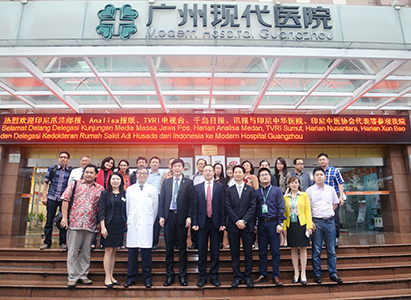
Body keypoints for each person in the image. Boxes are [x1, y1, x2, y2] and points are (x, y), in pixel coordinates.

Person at [60, 164, 104, 288]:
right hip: (75, 223)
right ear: (83, 173)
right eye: (87, 172)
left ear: (96, 174)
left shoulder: (100, 189)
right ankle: (73, 276)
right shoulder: (74, 184)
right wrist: (64, 218)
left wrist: (101, 224)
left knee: (86, 252)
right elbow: (65, 200)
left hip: (90, 225)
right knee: (73, 251)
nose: (89, 174)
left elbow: (101, 208)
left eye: (91, 172)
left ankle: (83, 275)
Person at [159, 158, 193, 287]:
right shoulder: (166, 182)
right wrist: (161, 216)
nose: (177, 168)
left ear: (183, 168)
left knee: (182, 248)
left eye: (179, 166)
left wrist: (189, 217)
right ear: (171, 168)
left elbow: (191, 201)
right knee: (169, 249)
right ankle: (170, 276)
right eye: (175, 166)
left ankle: (182, 276)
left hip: (182, 218)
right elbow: (162, 200)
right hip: (169, 217)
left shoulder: (188, 182)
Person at [306, 167, 343, 285]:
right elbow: (307, 208)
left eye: (321, 175)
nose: (319, 176)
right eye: (317, 175)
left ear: (325, 177)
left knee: (331, 249)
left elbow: (335, 204)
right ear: (314, 177)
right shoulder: (309, 190)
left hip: (329, 222)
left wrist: (327, 214)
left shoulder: (331, 189)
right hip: (316, 222)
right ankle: (317, 274)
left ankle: (333, 273)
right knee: (316, 249)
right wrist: (311, 221)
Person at [124, 166, 159, 288]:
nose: (142, 175)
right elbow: (127, 208)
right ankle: (131, 277)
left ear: (148, 175)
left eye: (144, 173)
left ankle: (147, 278)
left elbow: (155, 209)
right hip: (133, 224)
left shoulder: (153, 190)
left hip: (146, 224)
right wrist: (130, 220)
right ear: (136, 175)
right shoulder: (130, 189)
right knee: (132, 253)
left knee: (146, 254)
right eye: (140, 173)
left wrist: (149, 220)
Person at [192, 164, 226, 288]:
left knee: (215, 251)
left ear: (213, 173)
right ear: (203, 172)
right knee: (202, 251)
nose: (207, 173)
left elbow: (223, 206)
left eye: (210, 171)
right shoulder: (197, 187)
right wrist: (194, 222)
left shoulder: (220, 187)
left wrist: (223, 223)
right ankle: (202, 277)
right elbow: (194, 207)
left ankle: (214, 276)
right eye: (205, 171)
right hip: (201, 223)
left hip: (216, 223)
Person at [253, 167, 286, 286]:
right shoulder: (256, 192)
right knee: (262, 251)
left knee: (275, 251)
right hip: (261, 224)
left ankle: (276, 275)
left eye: (266, 174)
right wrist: (255, 224)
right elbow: (255, 210)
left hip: (273, 224)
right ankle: (263, 274)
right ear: (259, 178)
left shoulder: (276, 191)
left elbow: (281, 208)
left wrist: (280, 223)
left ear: (270, 177)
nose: (264, 177)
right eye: (262, 175)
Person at [225, 165, 256, 288]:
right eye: (235, 172)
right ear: (233, 174)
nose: (237, 174)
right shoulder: (228, 190)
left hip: (247, 226)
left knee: (248, 252)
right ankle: (237, 276)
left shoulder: (250, 190)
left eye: (240, 172)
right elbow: (228, 207)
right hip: (233, 226)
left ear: (244, 174)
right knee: (234, 252)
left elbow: (253, 207)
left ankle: (248, 276)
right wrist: (237, 220)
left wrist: (244, 221)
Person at [98, 172, 126, 288]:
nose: (115, 181)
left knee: (114, 251)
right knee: (108, 251)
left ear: (121, 181)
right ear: (110, 180)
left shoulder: (124, 193)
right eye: (113, 179)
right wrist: (103, 226)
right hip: (108, 225)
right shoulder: (105, 193)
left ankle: (111, 275)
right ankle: (107, 277)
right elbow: (101, 210)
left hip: (119, 225)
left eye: (118, 179)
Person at [40, 151, 72, 250]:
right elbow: (46, 182)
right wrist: (44, 196)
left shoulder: (70, 171)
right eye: (61, 157)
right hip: (52, 197)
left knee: (63, 221)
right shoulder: (52, 169)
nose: (63, 159)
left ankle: (62, 243)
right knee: (49, 221)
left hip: (64, 200)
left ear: (68, 160)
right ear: (58, 159)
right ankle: (47, 243)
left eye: (65, 157)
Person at [284, 176, 312, 285]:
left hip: (302, 224)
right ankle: (296, 273)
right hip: (290, 224)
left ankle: (303, 273)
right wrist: (284, 227)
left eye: (296, 182)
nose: (294, 184)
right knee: (294, 249)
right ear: (289, 185)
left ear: (299, 184)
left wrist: (309, 226)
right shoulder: (285, 197)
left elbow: (308, 211)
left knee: (303, 249)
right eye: (291, 183)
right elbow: (284, 213)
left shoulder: (304, 195)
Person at [317, 153, 345, 247]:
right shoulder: (318, 172)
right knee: (323, 219)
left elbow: (340, 183)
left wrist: (341, 196)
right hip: (321, 199)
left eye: (323, 159)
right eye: (320, 160)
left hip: (333, 198)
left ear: (328, 160)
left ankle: (336, 239)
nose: (322, 161)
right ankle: (325, 240)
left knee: (335, 218)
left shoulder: (334, 170)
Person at [190, 158, 207, 249]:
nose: (200, 166)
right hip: (196, 201)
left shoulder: (207, 176)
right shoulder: (193, 177)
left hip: (206, 202)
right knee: (195, 222)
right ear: (196, 166)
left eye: (202, 164)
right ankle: (194, 242)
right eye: (199, 164)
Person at [274, 157, 291, 247]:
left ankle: (286, 238)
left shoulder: (287, 174)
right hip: (275, 199)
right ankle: (281, 238)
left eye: (281, 163)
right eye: (277, 164)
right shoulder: (274, 175)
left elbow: (289, 186)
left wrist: (284, 196)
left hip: (284, 197)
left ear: (284, 165)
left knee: (284, 218)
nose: (279, 165)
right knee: (278, 219)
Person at [147, 156, 163, 250]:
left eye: (156, 162)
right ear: (150, 164)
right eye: (153, 162)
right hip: (147, 199)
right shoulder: (146, 174)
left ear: (159, 164)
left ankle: (154, 242)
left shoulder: (162, 175)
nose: (154, 164)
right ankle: (147, 241)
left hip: (159, 198)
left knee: (156, 222)